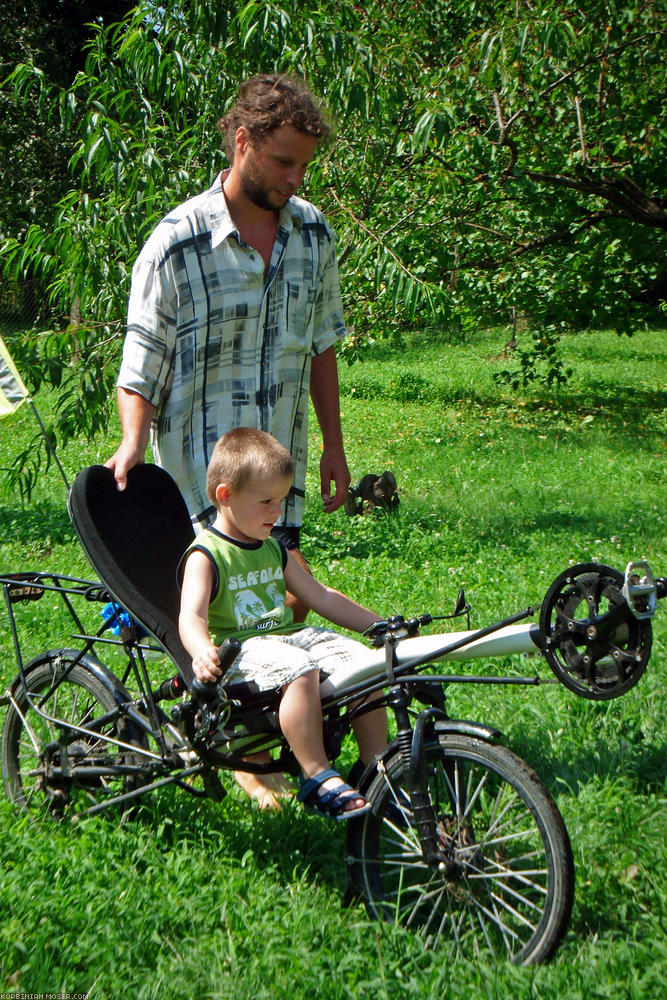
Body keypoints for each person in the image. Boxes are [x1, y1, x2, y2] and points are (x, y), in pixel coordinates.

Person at [105, 73, 352, 806]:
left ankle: (260, 732)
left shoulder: (312, 233)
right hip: (199, 468)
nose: (294, 178)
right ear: (241, 141)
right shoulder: (177, 243)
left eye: (303, 164)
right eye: (282, 160)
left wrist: (335, 446)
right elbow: (139, 361)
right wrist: (129, 444)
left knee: (285, 597)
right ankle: (238, 754)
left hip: (276, 461)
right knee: (211, 604)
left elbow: (323, 346)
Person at [178, 428, 387, 820]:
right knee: (300, 670)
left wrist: (380, 626)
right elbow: (191, 615)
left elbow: (320, 596)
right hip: (237, 653)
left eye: (282, 501)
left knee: (367, 665)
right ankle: (317, 775)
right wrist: (201, 650)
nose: (277, 513)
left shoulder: (273, 547)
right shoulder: (206, 554)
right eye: (266, 502)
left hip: (282, 638)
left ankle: (376, 767)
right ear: (225, 496)